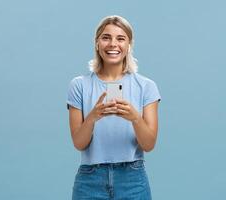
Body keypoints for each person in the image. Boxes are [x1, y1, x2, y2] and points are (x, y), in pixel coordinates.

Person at [67, 15, 161, 200]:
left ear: (129, 45)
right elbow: (79, 143)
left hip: (132, 179)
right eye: (106, 37)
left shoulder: (146, 86)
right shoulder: (79, 85)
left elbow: (148, 144)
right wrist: (93, 116)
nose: (113, 44)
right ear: (97, 43)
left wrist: (135, 117)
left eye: (120, 38)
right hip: (90, 179)